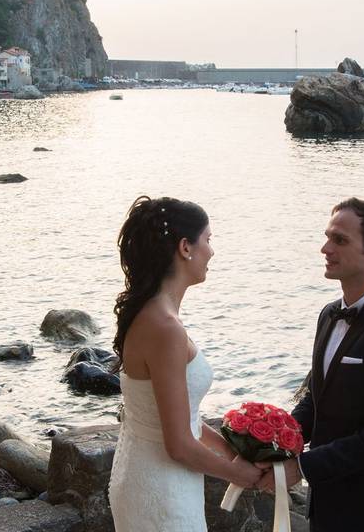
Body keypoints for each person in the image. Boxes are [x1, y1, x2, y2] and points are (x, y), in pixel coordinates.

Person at [257, 198, 364, 531]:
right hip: (324, 506)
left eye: (340, 240)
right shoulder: (328, 315)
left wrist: (303, 467)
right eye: (327, 237)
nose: (325, 248)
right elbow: (315, 400)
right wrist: (277, 445)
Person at [108, 196, 263, 531]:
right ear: (185, 247)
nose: (211, 251)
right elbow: (178, 444)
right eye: (208, 240)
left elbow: (177, 416)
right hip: (162, 488)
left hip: (147, 473)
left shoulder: (152, 314)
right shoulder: (165, 329)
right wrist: (240, 474)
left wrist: (229, 449)